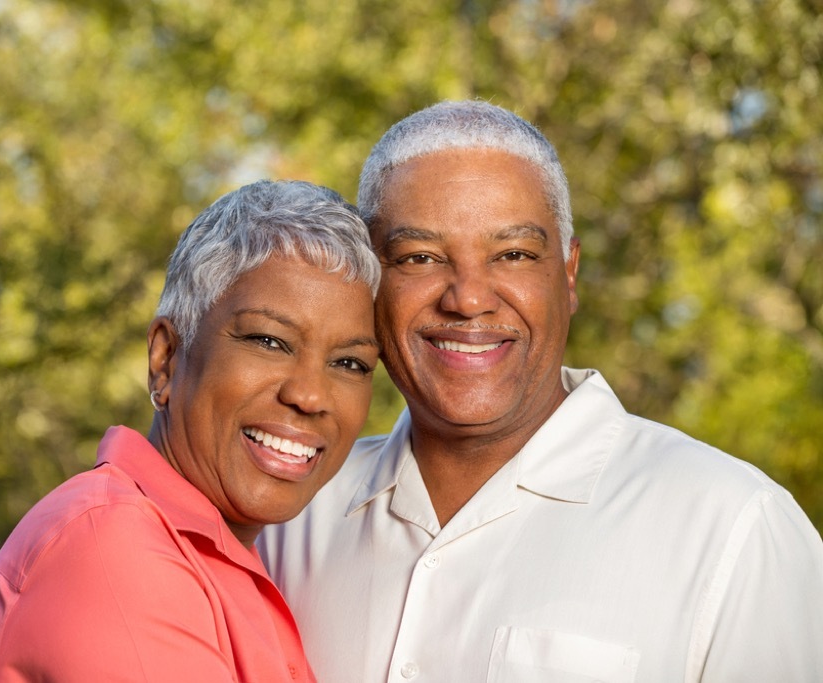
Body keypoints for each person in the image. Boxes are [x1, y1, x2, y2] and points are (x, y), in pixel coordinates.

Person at [257, 101, 823, 682]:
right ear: (370, 280)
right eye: (419, 256)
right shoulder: (291, 514)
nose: (469, 298)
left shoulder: (733, 527)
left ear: (569, 273)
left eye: (514, 255)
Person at [0, 179, 381, 682]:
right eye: (269, 341)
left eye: (350, 363)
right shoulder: (113, 547)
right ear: (166, 358)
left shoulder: (233, 559)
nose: (310, 396)